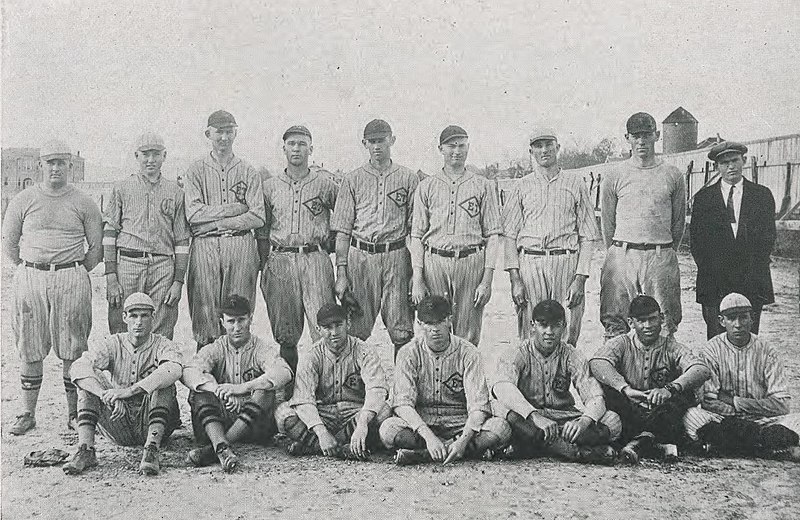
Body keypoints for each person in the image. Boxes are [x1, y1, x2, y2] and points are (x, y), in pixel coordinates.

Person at [2, 140, 103, 435]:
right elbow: (8, 243)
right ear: (40, 165)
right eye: (50, 162)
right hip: (31, 276)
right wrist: (31, 265)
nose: (56, 167)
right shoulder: (23, 199)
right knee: (29, 346)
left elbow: (95, 249)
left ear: (70, 166)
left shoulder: (83, 201)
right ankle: (27, 413)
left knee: (72, 347)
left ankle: (74, 414)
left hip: (71, 276)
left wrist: (72, 270)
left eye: (61, 162)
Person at [379, 296, 511, 465]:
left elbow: (478, 406)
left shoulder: (468, 352)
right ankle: (456, 452)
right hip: (423, 421)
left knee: (500, 428)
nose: (435, 329)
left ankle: (424, 455)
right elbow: (403, 404)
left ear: (449, 320)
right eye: (429, 323)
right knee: (388, 430)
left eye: (440, 321)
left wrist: (463, 440)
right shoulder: (408, 353)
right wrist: (429, 437)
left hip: (459, 421)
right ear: (419, 324)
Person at [63, 293, 183, 476]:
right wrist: (106, 394)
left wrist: (128, 392)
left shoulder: (163, 344)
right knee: (89, 380)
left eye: (144, 316)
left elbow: (174, 369)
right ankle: (86, 450)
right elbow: (78, 367)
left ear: (153, 317)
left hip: (152, 422)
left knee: (164, 382)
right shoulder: (113, 343)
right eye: (133, 316)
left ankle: (151, 451)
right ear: (124, 317)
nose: (139, 322)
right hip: (119, 421)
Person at [489, 300, 621, 464]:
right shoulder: (518, 352)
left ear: (564, 326)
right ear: (532, 325)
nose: (549, 332)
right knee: (499, 408)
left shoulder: (572, 355)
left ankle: (535, 446)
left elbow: (595, 397)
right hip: (527, 418)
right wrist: (534, 416)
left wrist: (584, 421)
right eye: (543, 325)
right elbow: (502, 387)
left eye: (555, 325)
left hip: (561, 417)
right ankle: (571, 451)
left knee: (612, 420)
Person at [502, 128, 601, 345]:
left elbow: (588, 236)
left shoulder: (576, 183)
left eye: (549, 144)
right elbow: (509, 236)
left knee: (566, 332)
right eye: (538, 145)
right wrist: (515, 279)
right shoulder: (521, 186)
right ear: (531, 151)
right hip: (531, 262)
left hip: (565, 261)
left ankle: (562, 380)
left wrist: (580, 278)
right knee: (532, 333)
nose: (544, 150)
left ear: (558, 147)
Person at [331, 119, 421, 357]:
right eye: (372, 142)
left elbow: (416, 231)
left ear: (392, 140)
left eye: (382, 140)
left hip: (396, 255)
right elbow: (343, 230)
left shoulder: (409, 178)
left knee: (401, 327)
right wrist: (341, 273)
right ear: (364, 144)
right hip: (361, 256)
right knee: (357, 327)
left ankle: (403, 387)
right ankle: (353, 388)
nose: (377, 146)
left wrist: (416, 272)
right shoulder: (352, 179)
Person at [410, 126, 502, 346]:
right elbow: (416, 236)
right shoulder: (426, 186)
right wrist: (418, 279)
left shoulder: (482, 185)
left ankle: (463, 379)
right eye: (451, 145)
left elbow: (493, 235)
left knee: (468, 333)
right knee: (435, 328)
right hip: (436, 262)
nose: (457, 151)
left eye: (462, 145)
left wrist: (487, 280)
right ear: (440, 148)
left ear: (468, 147)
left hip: (470, 261)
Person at [589, 295, 710, 463]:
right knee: (607, 390)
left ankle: (639, 443)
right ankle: (657, 446)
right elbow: (597, 363)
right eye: (641, 321)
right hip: (630, 409)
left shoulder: (671, 346)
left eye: (653, 319)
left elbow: (701, 369)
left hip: (662, 412)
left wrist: (670, 389)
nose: (648, 326)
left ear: (661, 318)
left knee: (685, 395)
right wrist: (625, 388)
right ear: (631, 323)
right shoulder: (622, 342)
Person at [256, 125, 337, 372]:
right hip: (280, 260)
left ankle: (323, 392)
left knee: (322, 328)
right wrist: (263, 267)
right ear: (284, 148)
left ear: (311, 149)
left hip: (314, 258)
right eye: (291, 144)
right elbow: (262, 230)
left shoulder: (325, 183)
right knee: (285, 334)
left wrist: (329, 245)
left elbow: (345, 218)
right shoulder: (269, 186)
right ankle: (289, 389)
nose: (297, 149)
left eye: (302, 144)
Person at [182, 295, 293, 473]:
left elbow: (284, 371)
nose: (237, 327)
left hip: (254, 427)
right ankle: (222, 447)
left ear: (251, 319)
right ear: (222, 322)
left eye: (241, 320)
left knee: (265, 391)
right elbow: (188, 371)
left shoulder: (260, 347)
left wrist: (242, 388)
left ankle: (216, 449)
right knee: (199, 391)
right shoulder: (216, 347)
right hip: (219, 420)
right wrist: (216, 389)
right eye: (231, 321)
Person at [184, 110, 266, 350]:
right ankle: (204, 382)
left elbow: (258, 215)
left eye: (229, 131)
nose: (224, 137)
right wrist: (234, 209)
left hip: (240, 245)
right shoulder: (196, 170)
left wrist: (219, 224)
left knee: (237, 314)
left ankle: (237, 378)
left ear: (235, 133)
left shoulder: (248, 170)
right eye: (219, 131)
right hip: (205, 247)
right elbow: (194, 214)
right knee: (205, 313)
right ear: (208, 133)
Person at [599, 112, 686, 339]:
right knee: (615, 321)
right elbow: (608, 221)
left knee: (664, 322)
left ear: (656, 135)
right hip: (623, 254)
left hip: (659, 254)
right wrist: (617, 250)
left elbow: (678, 223)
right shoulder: (614, 174)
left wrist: (664, 251)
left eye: (646, 135)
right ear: (627, 138)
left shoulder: (673, 175)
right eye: (635, 136)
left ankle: (661, 372)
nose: (641, 141)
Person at [683, 293, 800, 461]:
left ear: (752, 319)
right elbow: (709, 402)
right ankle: (768, 448)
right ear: (722, 321)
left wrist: (735, 401)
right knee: (691, 415)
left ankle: (729, 447)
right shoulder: (710, 350)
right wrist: (740, 418)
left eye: (743, 317)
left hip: (764, 421)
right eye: (731, 318)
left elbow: (782, 405)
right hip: (726, 420)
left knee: (797, 421)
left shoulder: (768, 351)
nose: (738, 324)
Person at [275, 303, 391, 460]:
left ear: (348, 324)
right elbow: (303, 399)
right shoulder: (312, 355)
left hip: (355, 412)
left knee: (384, 410)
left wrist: (363, 422)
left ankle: (315, 447)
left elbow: (377, 389)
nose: (334, 332)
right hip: (324, 413)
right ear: (318, 329)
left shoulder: (364, 350)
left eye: (338, 325)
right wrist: (321, 432)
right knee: (284, 413)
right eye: (327, 327)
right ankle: (341, 447)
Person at [103, 132, 191, 339]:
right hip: (128, 262)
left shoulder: (176, 192)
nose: (150, 159)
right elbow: (109, 233)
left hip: (162, 266)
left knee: (162, 326)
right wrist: (111, 276)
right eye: (145, 154)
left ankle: (158, 370)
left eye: (156, 154)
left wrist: (178, 281)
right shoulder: (122, 188)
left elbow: (181, 240)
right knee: (123, 324)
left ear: (164, 156)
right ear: (136, 156)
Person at [690, 141, 776, 339]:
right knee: (716, 338)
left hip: (751, 280)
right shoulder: (704, 199)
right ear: (716, 167)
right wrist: (716, 270)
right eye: (724, 162)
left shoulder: (761, 195)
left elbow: (767, 239)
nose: (731, 166)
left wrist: (747, 269)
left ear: (743, 160)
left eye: (735, 160)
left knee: (748, 337)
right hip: (715, 281)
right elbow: (697, 243)